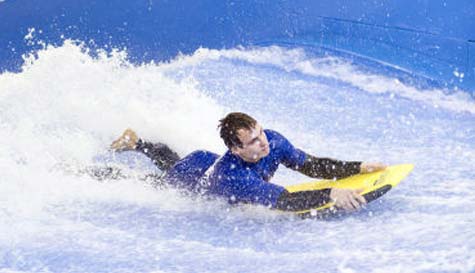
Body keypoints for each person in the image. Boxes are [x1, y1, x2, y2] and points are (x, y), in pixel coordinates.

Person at [111, 112, 386, 212]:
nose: (263, 142)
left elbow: (310, 165)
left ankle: (136, 143)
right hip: (192, 176)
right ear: (236, 149)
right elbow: (286, 201)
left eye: (261, 132)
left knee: (172, 160)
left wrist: (357, 167)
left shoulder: (273, 142)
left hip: (205, 161)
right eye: (253, 140)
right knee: (156, 180)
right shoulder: (235, 177)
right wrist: (331, 193)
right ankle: (93, 169)